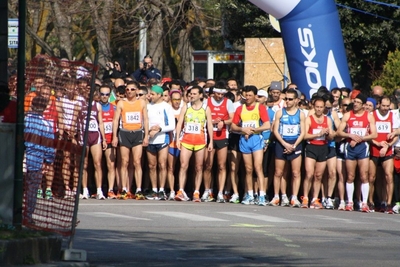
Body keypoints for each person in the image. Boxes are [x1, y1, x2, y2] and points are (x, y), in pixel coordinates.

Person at [337, 93, 377, 212]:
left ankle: (364, 203)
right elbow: (339, 132)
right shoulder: (348, 115)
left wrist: (360, 139)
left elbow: (374, 134)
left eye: (358, 102)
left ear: (363, 105)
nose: (355, 104)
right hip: (350, 148)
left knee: (364, 175)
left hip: (362, 148)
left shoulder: (368, 116)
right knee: (350, 176)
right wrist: (350, 135)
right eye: (354, 102)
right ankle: (349, 202)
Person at [231, 86, 271, 206]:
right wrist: (242, 129)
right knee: (248, 169)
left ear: (255, 96)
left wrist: (254, 130)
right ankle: (250, 194)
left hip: (256, 140)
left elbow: (267, 125)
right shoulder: (240, 109)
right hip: (244, 140)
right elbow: (233, 126)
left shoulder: (260, 108)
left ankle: (262, 195)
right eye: (245, 95)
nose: (247, 98)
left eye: (249, 95)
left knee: (258, 167)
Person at [174, 86, 214, 202]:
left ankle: (196, 192)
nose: (191, 96)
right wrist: (177, 139)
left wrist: (211, 141)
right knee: (183, 165)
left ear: (201, 95)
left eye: (194, 94)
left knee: (199, 167)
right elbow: (180, 123)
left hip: (200, 142)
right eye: (190, 94)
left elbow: (209, 125)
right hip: (186, 140)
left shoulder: (206, 108)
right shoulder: (186, 107)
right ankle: (181, 191)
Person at [112, 81, 149, 200]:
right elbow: (115, 120)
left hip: (138, 133)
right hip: (124, 133)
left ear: (137, 91)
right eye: (127, 89)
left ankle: (138, 189)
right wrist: (114, 136)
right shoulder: (121, 103)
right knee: (124, 161)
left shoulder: (142, 102)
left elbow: (146, 120)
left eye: (132, 89)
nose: (129, 92)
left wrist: (146, 135)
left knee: (137, 161)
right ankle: (123, 189)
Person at [270, 88, 305, 207]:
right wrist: (284, 144)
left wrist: (294, 146)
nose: (287, 101)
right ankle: (278, 196)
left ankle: (294, 197)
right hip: (282, 142)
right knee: (279, 172)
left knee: (296, 172)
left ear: (296, 100)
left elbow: (303, 132)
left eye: (290, 99)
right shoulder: (280, 112)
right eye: (286, 99)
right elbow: (275, 130)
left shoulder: (301, 114)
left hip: (295, 143)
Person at [24, 96, 56, 224]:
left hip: (21, 157)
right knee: (32, 189)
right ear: (45, 107)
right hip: (35, 161)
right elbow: (49, 146)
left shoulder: (24, 120)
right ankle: (27, 216)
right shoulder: (47, 124)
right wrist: (48, 161)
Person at [202, 87, 234, 203]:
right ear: (213, 93)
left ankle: (220, 192)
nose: (220, 96)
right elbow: (202, 117)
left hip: (222, 136)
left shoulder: (228, 102)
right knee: (208, 165)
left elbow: (232, 118)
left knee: (222, 165)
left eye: (222, 94)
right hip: (210, 136)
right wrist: (211, 121)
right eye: (218, 94)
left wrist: (223, 122)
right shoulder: (207, 102)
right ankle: (207, 190)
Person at [302, 97, 334, 209]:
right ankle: (305, 197)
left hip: (323, 147)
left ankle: (315, 198)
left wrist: (328, 133)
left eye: (321, 107)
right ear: (313, 107)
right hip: (311, 147)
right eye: (317, 107)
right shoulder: (309, 119)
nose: (319, 109)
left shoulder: (328, 120)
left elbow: (331, 136)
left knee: (318, 175)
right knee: (309, 173)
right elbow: (305, 135)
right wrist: (318, 134)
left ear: (324, 107)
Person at [145, 85, 176, 200]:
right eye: (150, 94)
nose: (150, 96)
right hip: (150, 139)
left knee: (162, 164)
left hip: (162, 138)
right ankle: (154, 190)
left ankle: (162, 190)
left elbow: (172, 125)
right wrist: (148, 131)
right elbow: (144, 122)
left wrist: (158, 129)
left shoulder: (166, 107)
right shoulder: (147, 106)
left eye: (153, 94)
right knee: (151, 165)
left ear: (159, 95)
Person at [369, 96, 398, 213]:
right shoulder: (372, 115)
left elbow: (396, 135)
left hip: (387, 150)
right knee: (372, 177)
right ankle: (371, 202)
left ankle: (388, 204)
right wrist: (378, 143)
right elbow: (368, 135)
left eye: (387, 106)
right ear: (379, 104)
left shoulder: (393, 116)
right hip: (374, 149)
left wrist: (387, 146)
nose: (385, 108)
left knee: (388, 176)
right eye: (383, 106)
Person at [99, 85, 118, 199]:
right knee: (97, 165)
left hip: (110, 138)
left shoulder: (114, 107)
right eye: (102, 94)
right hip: (98, 139)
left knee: (110, 164)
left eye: (107, 94)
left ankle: (110, 190)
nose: (105, 96)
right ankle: (98, 189)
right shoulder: (96, 106)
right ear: (99, 94)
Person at [167, 89, 183, 200]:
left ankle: (181, 190)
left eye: (179, 99)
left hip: (183, 142)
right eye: (174, 99)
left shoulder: (184, 109)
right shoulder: (168, 109)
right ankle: (172, 190)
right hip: (170, 142)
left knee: (183, 167)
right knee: (170, 167)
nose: (176, 102)